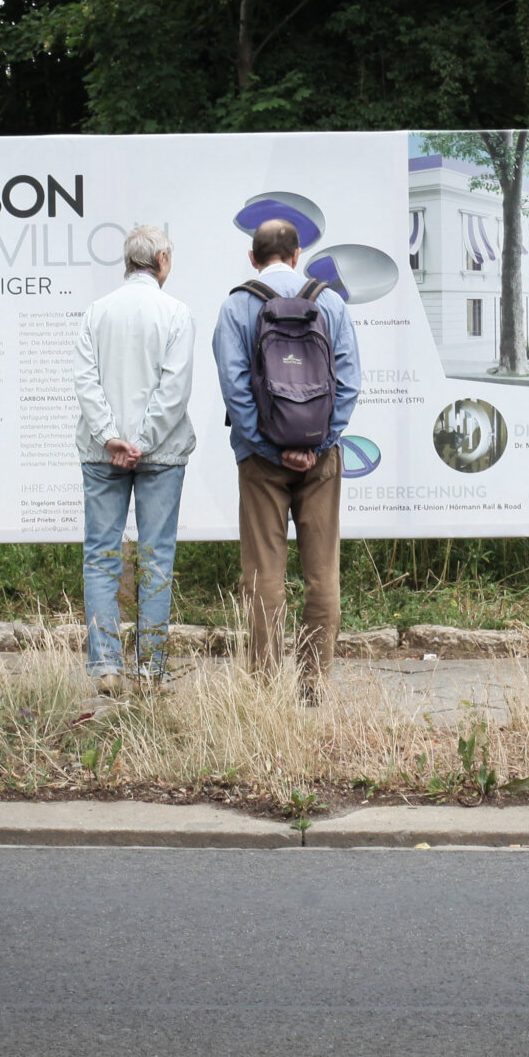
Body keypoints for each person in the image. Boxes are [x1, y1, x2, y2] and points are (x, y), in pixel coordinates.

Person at [213, 217, 361, 702]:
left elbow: (235, 388)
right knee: (322, 572)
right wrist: (315, 445)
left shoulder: (238, 305)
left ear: (253, 258)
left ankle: (263, 683)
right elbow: (350, 383)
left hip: (260, 462)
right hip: (321, 461)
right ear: (297, 256)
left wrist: (267, 445)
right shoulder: (331, 302)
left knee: (263, 573)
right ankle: (313, 682)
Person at [72, 224, 197, 695]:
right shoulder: (176, 313)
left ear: (127, 261)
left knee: (101, 555)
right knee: (156, 555)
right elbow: (175, 388)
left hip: (101, 454)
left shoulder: (95, 313)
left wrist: (111, 438)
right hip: (161, 453)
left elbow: (86, 382)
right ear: (162, 259)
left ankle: (106, 667)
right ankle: (150, 671)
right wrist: (142, 440)